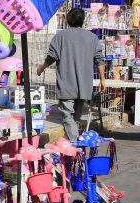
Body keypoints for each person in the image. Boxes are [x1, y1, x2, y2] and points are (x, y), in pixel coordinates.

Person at [35, 8, 106, 141]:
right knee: (75, 118)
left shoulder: (60, 36)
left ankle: (75, 144)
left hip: (67, 84)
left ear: (68, 20)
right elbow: (99, 60)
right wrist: (102, 79)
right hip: (84, 86)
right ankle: (71, 149)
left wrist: (41, 68)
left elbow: (51, 57)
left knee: (68, 116)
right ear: (83, 21)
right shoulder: (92, 38)